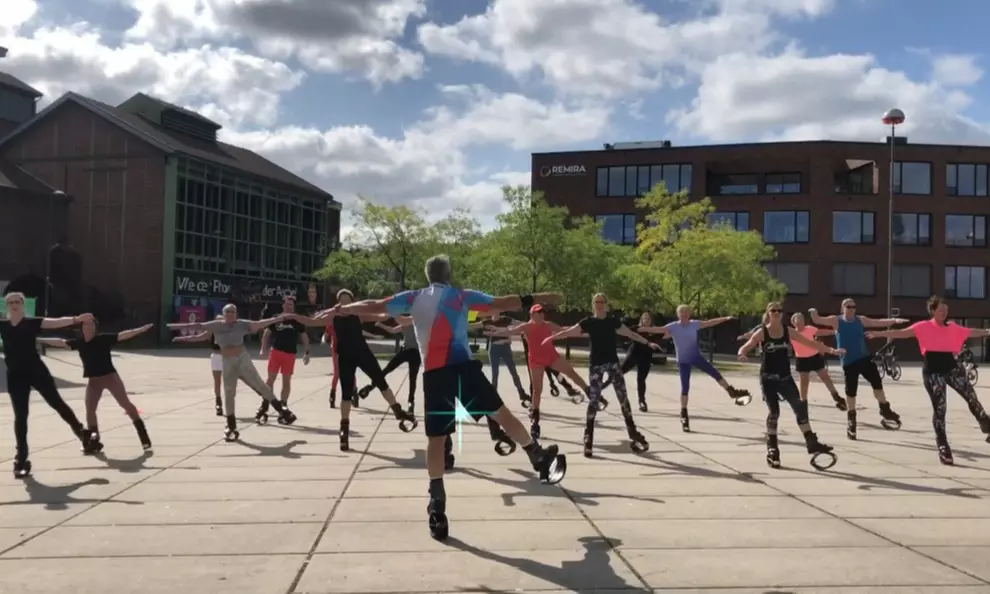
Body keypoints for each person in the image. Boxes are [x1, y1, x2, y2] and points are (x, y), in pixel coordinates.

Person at [328, 255, 568, 541]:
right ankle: (536, 456)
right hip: (464, 370)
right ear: (449, 274)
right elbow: (503, 303)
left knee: (436, 441)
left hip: (435, 376)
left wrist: (343, 308)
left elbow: (374, 306)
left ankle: (437, 504)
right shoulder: (461, 296)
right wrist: (543, 297)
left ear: (427, 275)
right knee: (502, 415)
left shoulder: (414, 297)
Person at [286, 289, 416, 452]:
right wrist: (293, 316)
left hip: (363, 354)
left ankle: (398, 411)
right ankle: (344, 430)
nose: (345, 303)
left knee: (381, 382)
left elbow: (382, 315)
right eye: (342, 300)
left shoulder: (358, 314)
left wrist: (402, 314)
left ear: (354, 302)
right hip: (345, 357)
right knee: (346, 394)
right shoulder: (333, 316)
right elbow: (311, 321)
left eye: (348, 299)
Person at [866, 295, 990, 465]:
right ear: (932, 311)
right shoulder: (923, 326)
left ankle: (985, 423)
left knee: (971, 396)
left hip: (952, 367)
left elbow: (973, 332)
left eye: (946, 310)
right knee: (940, 408)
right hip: (933, 371)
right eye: (940, 310)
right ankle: (943, 445)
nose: (944, 313)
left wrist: (988, 331)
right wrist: (879, 333)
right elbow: (901, 333)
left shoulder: (953, 327)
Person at [546, 293, 657, 458]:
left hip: (613, 363)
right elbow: (569, 332)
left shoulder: (613, 321)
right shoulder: (588, 322)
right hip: (596, 365)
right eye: (596, 302)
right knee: (594, 399)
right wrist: (552, 338)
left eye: (602, 302)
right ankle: (588, 437)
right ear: (593, 304)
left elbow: (631, 334)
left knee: (623, 397)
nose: (599, 304)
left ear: (606, 304)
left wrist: (647, 342)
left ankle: (633, 433)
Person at [168, 303, 297, 441]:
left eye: (233, 312)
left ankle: (283, 411)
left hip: (242, 359)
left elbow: (259, 324)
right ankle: (231, 425)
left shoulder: (241, 324)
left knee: (259, 384)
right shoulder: (217, 325)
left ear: (236, 314)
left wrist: (277, 319)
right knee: (229, 393)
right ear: (223, 314)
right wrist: (177, 330)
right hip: (227, 361)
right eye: (228, 312)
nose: (231, 314)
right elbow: (199, 326)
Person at [0, 292, 94, 478]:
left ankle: (81, 432)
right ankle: (21, 459)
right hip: (16, 377)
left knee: (57, 404)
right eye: (10, 303)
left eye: (17, 302)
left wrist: (76, 319)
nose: (14, 305)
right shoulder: (3, 326)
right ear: (6, 306)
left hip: (37, 372)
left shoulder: (32, 322)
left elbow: (55, 322)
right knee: (21, 417)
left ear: (23, 304)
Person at [738, 302, 842, 469]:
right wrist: (742, 354)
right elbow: (747, 345)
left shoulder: (788, 331)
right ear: (768, 313)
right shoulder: (763, 332)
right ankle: (772, 448)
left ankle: (812, 442)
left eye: (779, 310)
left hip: (785, 378)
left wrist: (832, 351)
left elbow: (811, 343)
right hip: (768, 378)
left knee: (799, 408)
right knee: (774, 412)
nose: (777, 313)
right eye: (773, 311)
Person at [37, 320, 155, 454]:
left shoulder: (103, 339)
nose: (87, 328)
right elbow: (60, 342)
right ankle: (94, 441)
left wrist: (140, 330)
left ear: (95, 328)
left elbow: (123, 335)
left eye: (91, 325)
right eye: (85, 325)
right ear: (82, 329)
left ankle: (143, 436)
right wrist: (39, 339)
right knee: (90, 410)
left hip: (110, 378)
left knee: (126, 404)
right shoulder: (80, 343)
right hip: (94, 381)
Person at [485, 304, 591, 440]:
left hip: (552, 357)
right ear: (532, 314)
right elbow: (510, 331)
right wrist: (496, 332)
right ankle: (535, 421)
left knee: (571, 373)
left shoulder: (548, 324)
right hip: (536, 361)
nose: (541, 314)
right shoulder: (527, 327)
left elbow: (564, 331)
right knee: (537, 390)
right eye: (538, 312)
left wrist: (583, 330)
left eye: (542, 312)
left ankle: (590, 392)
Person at [640, 304, 751, 432]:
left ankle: (732, 391)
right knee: (685, 388)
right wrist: (640, 329)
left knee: (715, 373)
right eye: (682, 312)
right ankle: (684, 414)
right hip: (683, 361)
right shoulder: (673, 327)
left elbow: (710, 323)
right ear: (678, 314)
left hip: (696, 357)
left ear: (689, 314)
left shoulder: (694, 324)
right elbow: (657, 330)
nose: (685, 314)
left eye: (687, 312)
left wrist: (725, 318)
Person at [809, 300, 908, 440]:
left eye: (853, 307)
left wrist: (895, 320)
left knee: (877, 382)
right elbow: (818, 320)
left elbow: (877, 322)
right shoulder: (836, 320)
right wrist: (813, 312)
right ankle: (851, 419)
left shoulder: (860, 320)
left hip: (864, 358)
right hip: (848, 361)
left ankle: (885, 409)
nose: (851, 309)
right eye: (848, 307)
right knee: (851, 392)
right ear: (843, 308)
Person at [256, 296, 310, 424]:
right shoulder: (277, 318)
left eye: (291, 305)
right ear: (283, 306)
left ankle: (283, 407)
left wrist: (307, 352)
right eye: (286, 304)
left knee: (286, 381)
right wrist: (263, 348)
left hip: (290, 354)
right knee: (270, 379)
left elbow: (304, 336)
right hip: (276, 352)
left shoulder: (297, 320)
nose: (288, 306)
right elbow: (267, 333)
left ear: (294, 307)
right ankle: (265, 405)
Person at [601, 311, 662, 412]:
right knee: (618, 373)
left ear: (651, 320)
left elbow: (666, 333)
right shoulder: (636, 328)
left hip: (646, 357)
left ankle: (642, 402)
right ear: (641, 320)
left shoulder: (655, 330)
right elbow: (623, 331)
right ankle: (599, 389)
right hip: (633, 355)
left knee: (641, 380)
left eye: (648, 318)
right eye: (644, 318)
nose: (646, 320)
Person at [359, 315, 421, 414]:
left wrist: (384, 321)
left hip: (412, 353)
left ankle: (410, 402)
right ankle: (370, 388)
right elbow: (392, 330)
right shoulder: (410, 323)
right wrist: (380, 325)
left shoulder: (413, 322)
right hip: (409, 352)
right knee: (391, 371)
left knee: (408, 377)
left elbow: (394, 328)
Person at [790, 312, 846, 411]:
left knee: (825, 377)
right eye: (797, 319)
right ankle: (803, 404)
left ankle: (836, 396)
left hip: (815, 356)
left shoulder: (809, 329)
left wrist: (834, 331)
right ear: (793, 322)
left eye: (801, 319)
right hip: (802, 359)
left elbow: (821, 332)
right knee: (804, 383)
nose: (799, 321)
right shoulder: (792, 334)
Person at [172, 315, 224, 416]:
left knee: (229, 382)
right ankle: (218, 403)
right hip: (216, 356)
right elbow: (198, 337)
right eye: (217, 322)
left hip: (228, 357)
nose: (219, 324)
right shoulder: (211, 331)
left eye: (221, 322)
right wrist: (182, 338)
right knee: (217, 382)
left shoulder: (229, 331)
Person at [480, 312, 530, 406]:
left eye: (497, 310)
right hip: (494, 349)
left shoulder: (506, 319)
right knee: (495, 374)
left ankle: (521, 393)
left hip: (505, 348)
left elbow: (518, 324)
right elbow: (482, 330)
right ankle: (493, 397)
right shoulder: (487, 321)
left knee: (513, 371)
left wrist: (530, 324)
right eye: (494, 310)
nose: (496, 312)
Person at [322, 322, 341, 407]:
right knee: (338, 373)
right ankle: (332, 395)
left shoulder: (331, 324)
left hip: (344, 349)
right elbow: (325, 335)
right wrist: (324, 340)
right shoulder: (331, 324)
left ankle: (332, 396)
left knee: (343, 372)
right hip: (337, 349)